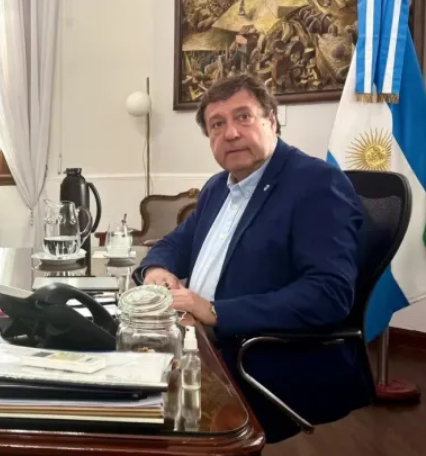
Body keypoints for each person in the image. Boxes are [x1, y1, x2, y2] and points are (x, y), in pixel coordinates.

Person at [138, 75, 369, 443]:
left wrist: (215, 311)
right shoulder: (218, 186)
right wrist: (157, 269)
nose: (231, 133)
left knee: (139, 422)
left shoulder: (316, 183)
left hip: (255, 356)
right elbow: (176, 243)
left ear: (271, 121)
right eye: (217, 124)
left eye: (243, 117)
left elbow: (329, 294)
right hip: (196, 339)